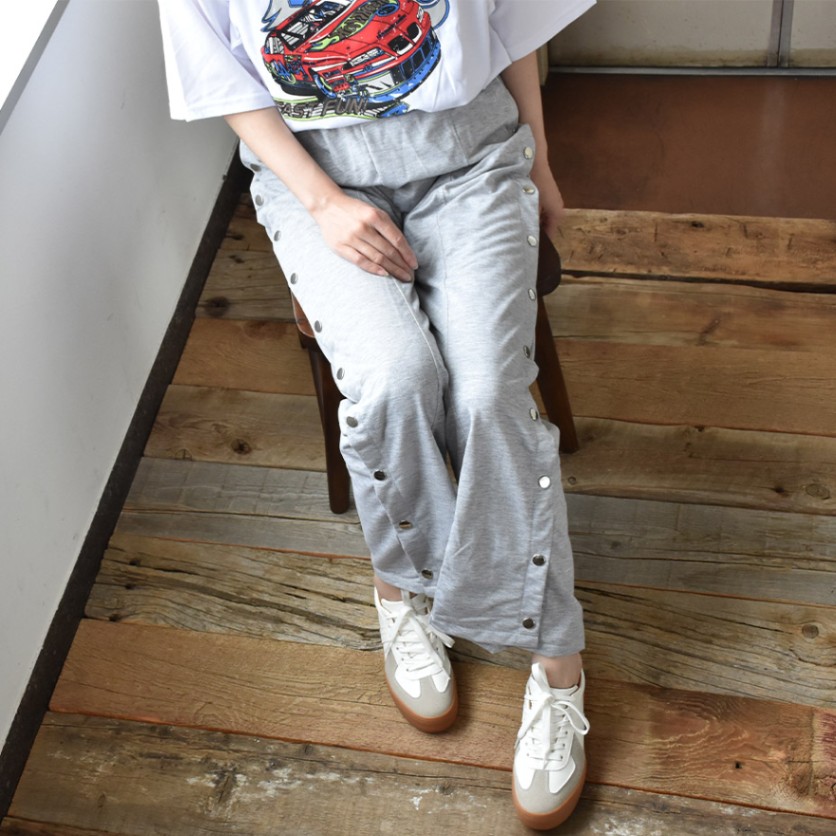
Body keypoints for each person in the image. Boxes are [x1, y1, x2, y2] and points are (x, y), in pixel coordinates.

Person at [158, 0, 595, 829]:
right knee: (395, 379)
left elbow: (512, 24)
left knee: (488, 394)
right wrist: (324, 203)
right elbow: (221, 73)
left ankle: (559, 661)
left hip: (471, 159)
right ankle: (402, 589)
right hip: (315, 176)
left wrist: (538, 158)